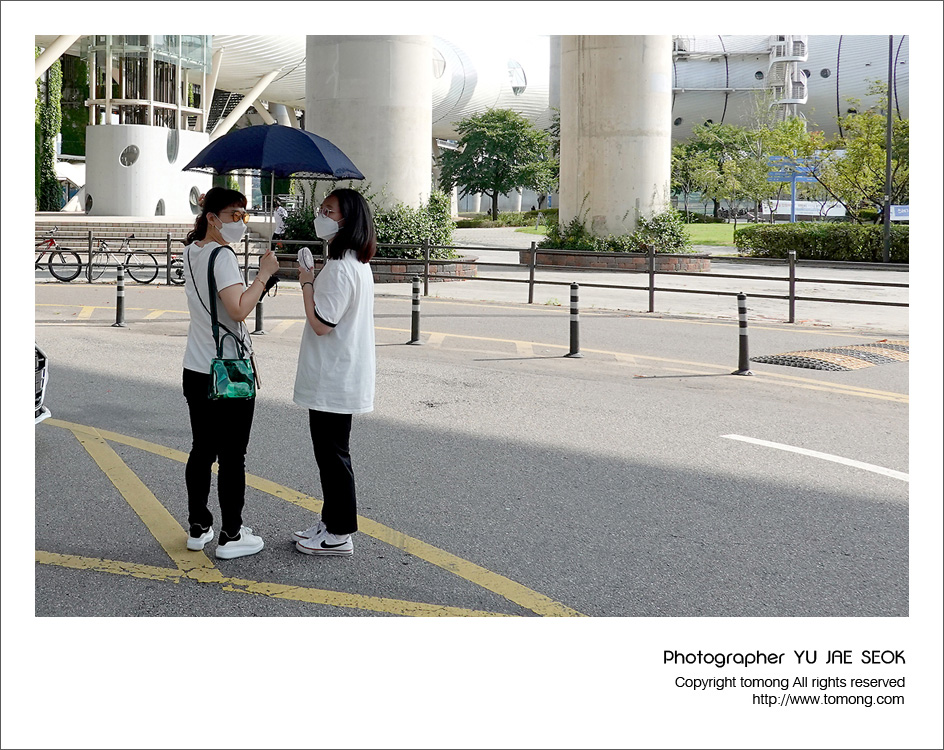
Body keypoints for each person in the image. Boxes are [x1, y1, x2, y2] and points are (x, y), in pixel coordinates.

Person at [181, 187, 280, 559]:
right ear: (212, 218)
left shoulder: (192, 250)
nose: (241, 222)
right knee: (233, 455)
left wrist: (256, 282)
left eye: (244, 215)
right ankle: (232, 535)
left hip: (196, 366)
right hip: (228, 369)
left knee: (202, 449)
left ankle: (198, 526)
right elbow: (238, 310)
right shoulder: (222, 256)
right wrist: (263, 276)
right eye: (234, 216)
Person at [291, 188, 377, 556]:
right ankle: (330, 521)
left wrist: (307, 281)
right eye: (321, 209)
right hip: (340, 376)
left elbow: (321, 323)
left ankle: (340, 532)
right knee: (331, 455)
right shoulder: (353, 263)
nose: (321, 216)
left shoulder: (341, 269)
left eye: (329, 211)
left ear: (347, 220)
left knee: (333, 457)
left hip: (334, 379)